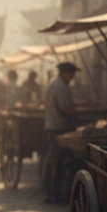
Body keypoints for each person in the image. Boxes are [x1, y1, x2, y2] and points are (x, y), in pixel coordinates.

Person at [43, 61, 78, 203]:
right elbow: (67, 109)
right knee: (60, 161)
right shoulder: (62, 87)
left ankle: (53, 191)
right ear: (66, 73)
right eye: (72, 74)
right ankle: (55, 193)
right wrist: (75, 117)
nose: (73, 77)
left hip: (52, 126)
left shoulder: (53, 84)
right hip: (60, 127)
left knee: (54, 159)